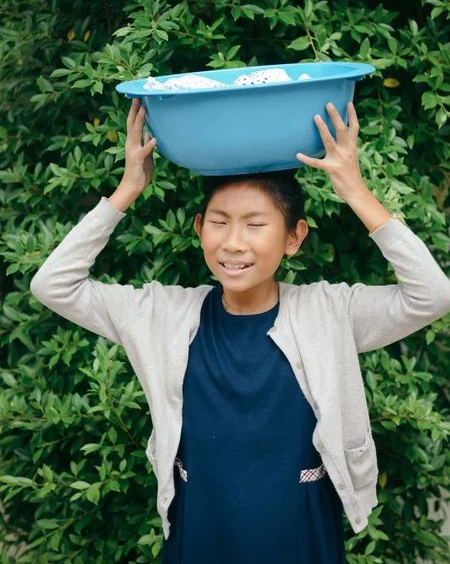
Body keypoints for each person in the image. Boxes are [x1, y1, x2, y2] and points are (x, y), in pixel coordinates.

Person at [30, 98, 450, 564]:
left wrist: (355, 191)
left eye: (256, 225)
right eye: (219, 222)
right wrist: (128, 189)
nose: (233, 242)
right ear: (198, 229)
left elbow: (432, 295)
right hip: (200, 521)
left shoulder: (330, 311)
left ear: (294, 238)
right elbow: (54, 285)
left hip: (297, 525)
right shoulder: (159, 313)